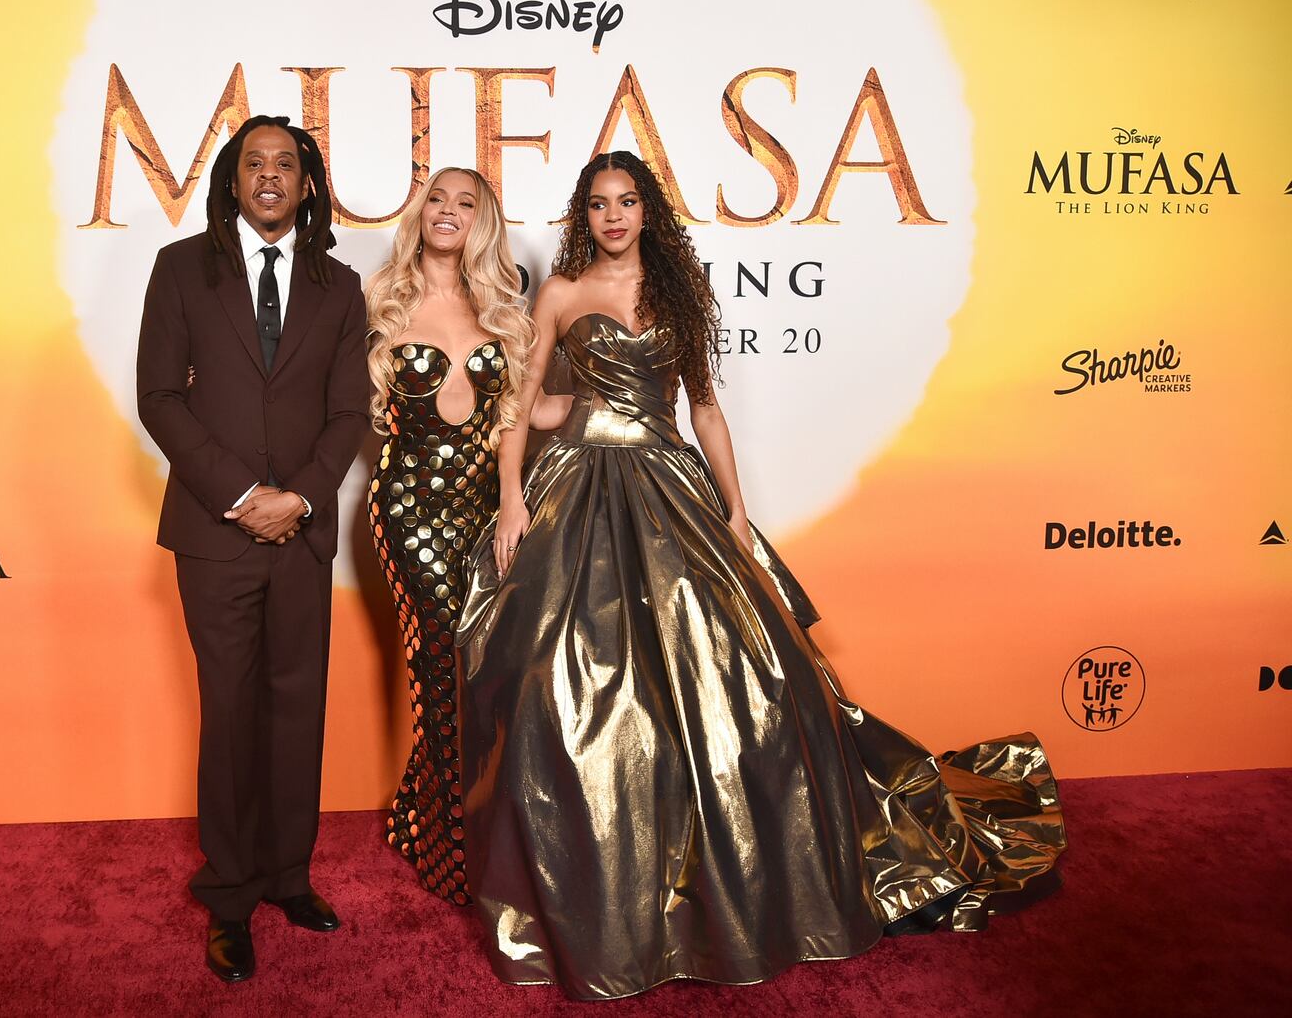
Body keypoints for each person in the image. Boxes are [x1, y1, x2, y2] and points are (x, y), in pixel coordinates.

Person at [455, 151, 1066, 1000]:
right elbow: (519, 407)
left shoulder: (675, 292)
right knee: (559, 687)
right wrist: (513, 498)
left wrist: (736, 510)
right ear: (582, 215)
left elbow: (703, 408)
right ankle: (600, 896)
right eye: (599, 205)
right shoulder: (559, 295)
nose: (614, 217)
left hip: (672, 487)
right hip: (581, 487)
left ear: (647, 212)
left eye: (628, 202)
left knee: (758, 684)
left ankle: (741, 883)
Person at [136, 115, 369, 984]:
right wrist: (241, 497)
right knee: (229, 711)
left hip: (301, 534)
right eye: (252, 163)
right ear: (232, 180)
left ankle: (288, 877)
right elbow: (160, 396)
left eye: (285, 164)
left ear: (307, 185)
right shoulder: (180, 269)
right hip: (214, 532)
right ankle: (229, 895)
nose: (269, 176)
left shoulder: (340, 286)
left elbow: (349, 412)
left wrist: (301, 496)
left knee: (296, 707)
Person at [364, 167, 567, 904]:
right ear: (420, 213)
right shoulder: (380, 301)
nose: (448, 212)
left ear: (481, 222)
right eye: (437, 200)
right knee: (441, 659)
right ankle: (452, 851)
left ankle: (419, 817)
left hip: (485, 513)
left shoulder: (501, 308)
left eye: (466, 203)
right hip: (409, 510)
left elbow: (531, 413)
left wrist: (622, 395)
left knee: (480, 669)